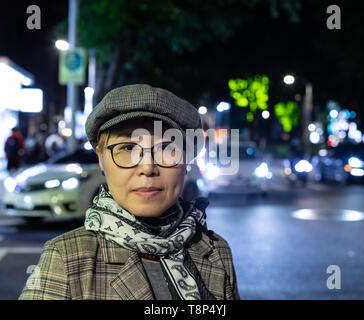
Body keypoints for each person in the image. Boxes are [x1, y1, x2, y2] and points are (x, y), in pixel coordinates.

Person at [19, 84, 239, 300]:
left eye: (166, 148)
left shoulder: (216, 252)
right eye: (128, 148)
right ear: (101, 159)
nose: (147, 168)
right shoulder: (67, 259)